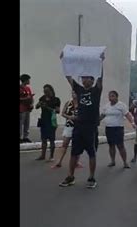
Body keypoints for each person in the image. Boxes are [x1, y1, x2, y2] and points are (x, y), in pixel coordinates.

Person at [58, 51, 104, 188]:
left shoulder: (96, 91)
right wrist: (63, 61)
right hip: (78, 126)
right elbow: (68, 77)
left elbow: (101, 79)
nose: (84, 80)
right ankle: (70, 176)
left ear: (92, 80)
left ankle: (91, 178)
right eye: (83, 78)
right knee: (73, 153)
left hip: (90, 127)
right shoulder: (79, 90)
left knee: (91, 153)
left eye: (87, 78)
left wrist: (101, 63)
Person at [99, 90, 136, 168]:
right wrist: (95, 122)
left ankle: (125, 162)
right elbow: (102, 115)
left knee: (120, 146)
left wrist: (132, 123)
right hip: (109, 128)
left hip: (118, 128)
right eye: (109, 96)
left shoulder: (121, 105)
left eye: (112, 96)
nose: (110, 98)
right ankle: (112, 161)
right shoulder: (107, 106)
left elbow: (127, 115)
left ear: (116, 97)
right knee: (111, 145)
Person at [51, 90, 83, 169]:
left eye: (75, 93)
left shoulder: (82, 104)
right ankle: (59, 162)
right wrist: (69, 117)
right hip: (69, 125)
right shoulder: (68, 103)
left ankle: (76, 162)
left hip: (79, 126)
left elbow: (85, 114)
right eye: (72, 93)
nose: (73, 94)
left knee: (77, 145)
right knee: (64, 144)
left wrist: (78, 118)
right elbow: (62, 113)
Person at [35, 84, 61, 161]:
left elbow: (57, 111)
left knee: (51, 139)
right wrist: (39, 104)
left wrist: (47, 107)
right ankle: (42, 155)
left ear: (51, 91)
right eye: (44, 91)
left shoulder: (56, 99)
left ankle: (51, 156)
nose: (45, 93)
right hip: (43, 120)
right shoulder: (42, 98)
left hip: (51, 121)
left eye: (47, 91)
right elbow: (36, 107)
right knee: (43, 139)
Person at [20, 74, 34, 143]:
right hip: (21, 109)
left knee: (26, 123)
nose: (29, 81)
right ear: (25, 80)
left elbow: (31, 97)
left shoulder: (28, 88)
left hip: (27, 108)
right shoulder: (20, 88)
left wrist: (31, 104)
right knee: (20, 123)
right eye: (28, 79)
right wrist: (26, 98)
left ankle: (25, 137)